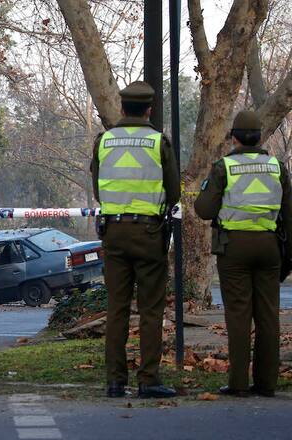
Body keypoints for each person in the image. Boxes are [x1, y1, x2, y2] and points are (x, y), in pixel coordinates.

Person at [90, 80, 180, 399]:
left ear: (123, 108)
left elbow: (99, 190)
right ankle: (148, 379)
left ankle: (115, 381)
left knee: (117, 309)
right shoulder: (158, 142)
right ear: (149, 109)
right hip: (149, 234)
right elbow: (174, 192)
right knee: (151, 309)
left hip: (113, 233)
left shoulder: (104, 141)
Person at [194, 110, 292, 397]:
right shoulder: (277, 167)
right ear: (260, 137)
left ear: (234, 137)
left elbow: (204, 210)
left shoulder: (224, 167)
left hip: (234, 248)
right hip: (269, 246)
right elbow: (288, 215)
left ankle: (238, 383)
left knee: (238, 315)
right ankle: (267, 383)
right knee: (268, 316)